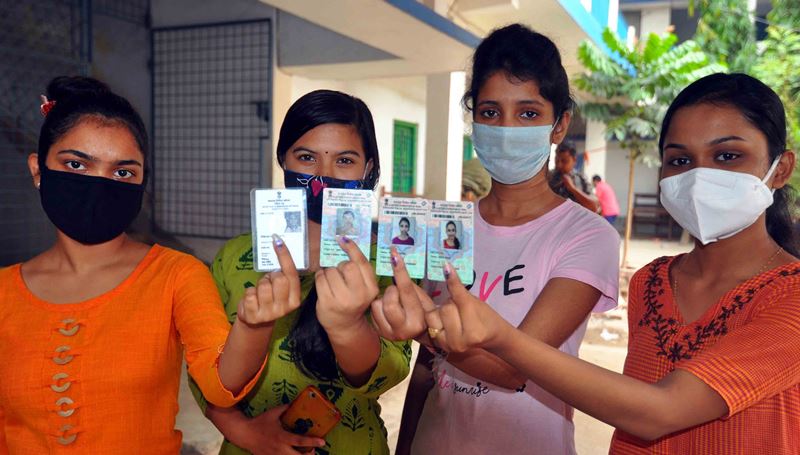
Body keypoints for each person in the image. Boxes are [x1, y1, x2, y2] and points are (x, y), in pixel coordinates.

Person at [407, 73, 800, 454]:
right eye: (679, 160)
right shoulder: (653, 282)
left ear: (780, 169)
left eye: (727, 156)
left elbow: (659, 412)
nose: (699, 177)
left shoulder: (791, 296)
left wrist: (496, 337)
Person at [371, 24, 620, 455]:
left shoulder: (586, 234)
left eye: (528, 114)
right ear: (474, 121)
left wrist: (424, 325)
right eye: (489, 112)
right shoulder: (449, 226)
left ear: (559, 125)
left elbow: (513, 368)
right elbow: (428, 369)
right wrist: (405, 446)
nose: (506, 128)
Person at [0, 76, 277, 453]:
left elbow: (219, 385)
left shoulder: (176, 274)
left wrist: (254, 326)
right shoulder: (5, 291)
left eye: (122, 172)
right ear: (38, 169)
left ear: (142, 182)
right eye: (77, 164)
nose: (100, 185)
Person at [191, 89, 411, 455]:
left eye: (345, 160)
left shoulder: (391, 262)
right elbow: (203, 370)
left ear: (367, 167)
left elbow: (385, 375)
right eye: (306, 157)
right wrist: (246, 433)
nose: (323, 176)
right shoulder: (234, 257)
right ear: (283, 159)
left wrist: (348, 326)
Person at [549, 141, 600, 212]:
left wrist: (572, 188)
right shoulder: (548, 177)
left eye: (564, 161)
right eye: (557, 161)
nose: (559, 165)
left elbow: (594, 207)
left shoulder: (581, 178)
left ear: (574, 160)